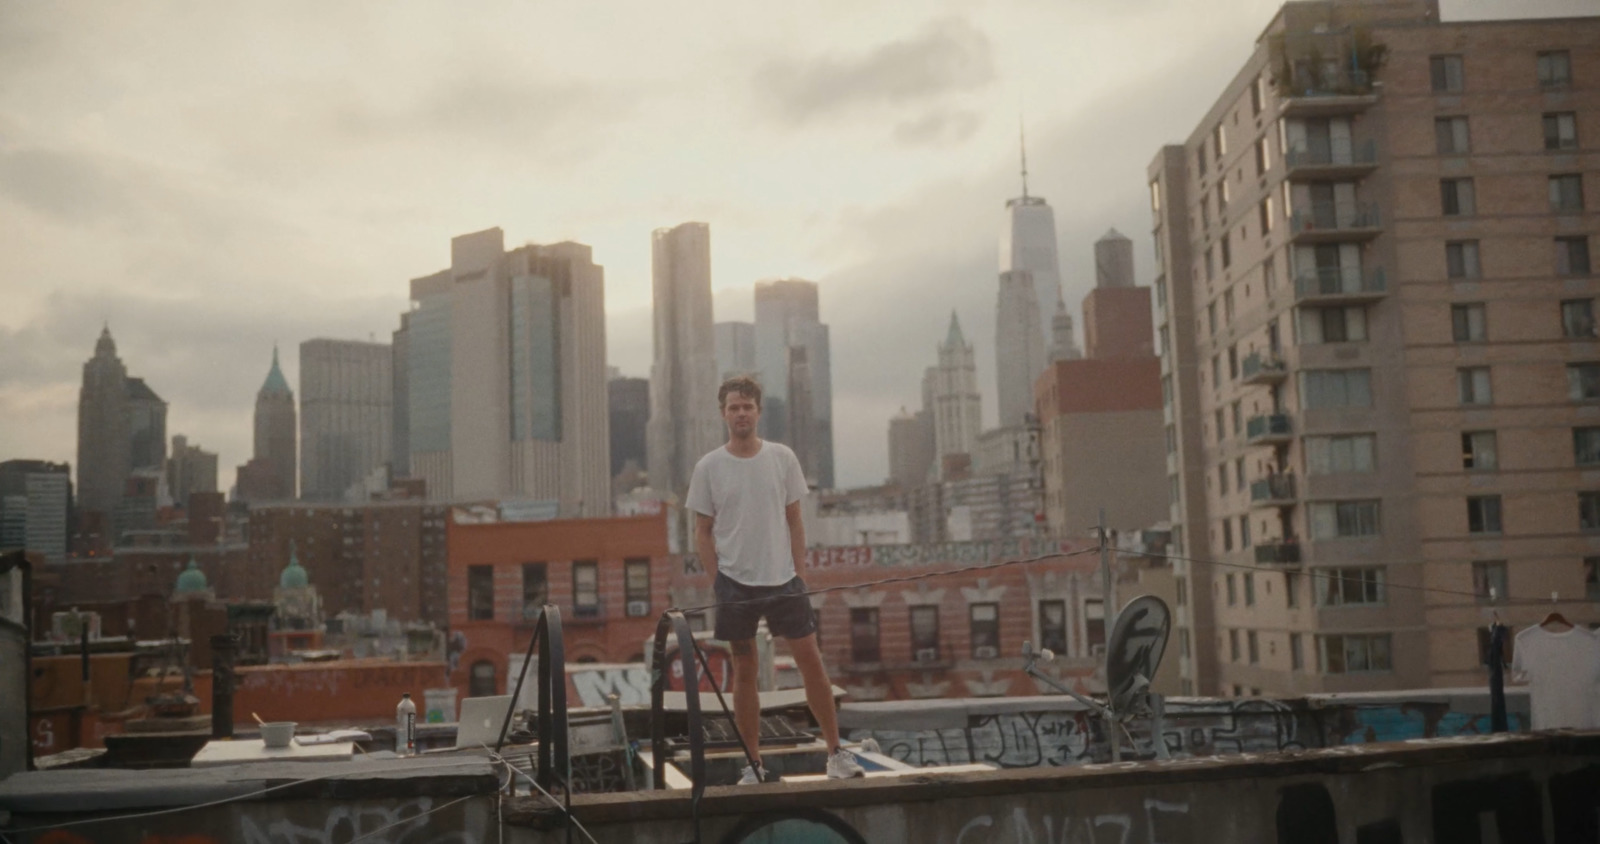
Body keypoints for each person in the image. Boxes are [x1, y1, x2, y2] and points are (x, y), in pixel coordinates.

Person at [686, 375, 865, 784]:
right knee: (745, 670)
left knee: (811, 664)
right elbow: (702, 531)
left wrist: (799, 573)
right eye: (733, 407)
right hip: (735, 584)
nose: (741, 413)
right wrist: (719, 582)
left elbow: (795, 519)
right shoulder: (709, 466)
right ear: (723, 413)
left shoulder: (782, 457)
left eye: (747, 406)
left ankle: (835, 754)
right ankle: (753, 765)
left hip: (784, 580)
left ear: (759, 411)